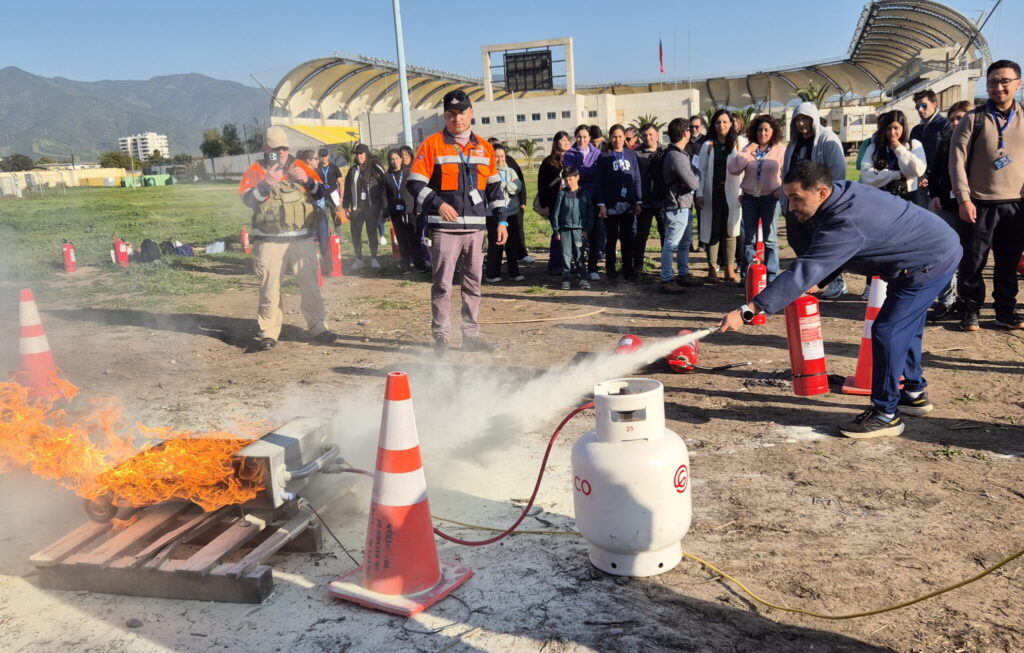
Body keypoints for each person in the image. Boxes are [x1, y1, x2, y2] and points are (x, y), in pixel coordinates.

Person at [720, 160, 960, 438]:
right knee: (907, 327)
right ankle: (914, 393)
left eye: (797, 198)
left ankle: (886, 414)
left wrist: (750, 309)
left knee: (888, 330)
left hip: (931, 260)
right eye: (789, 198)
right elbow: (834, 252)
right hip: (926, 252)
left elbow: (808, 266)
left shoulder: (847, 219)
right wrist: (820, 280)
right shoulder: (839, 195)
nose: (792, 206)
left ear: (821, 192)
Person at [406, 90, 506, 354]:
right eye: (451, 114)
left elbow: (495, 189)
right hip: (444, 230)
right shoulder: (432, 144)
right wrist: (439, 203)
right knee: (442, 284)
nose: (456, 118)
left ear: (471, 113)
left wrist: (503, 222)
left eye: (461, 112)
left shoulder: (484, 147)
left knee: (473, 284)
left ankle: (471, 336)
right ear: (445, 115)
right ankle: (441, 337)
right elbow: (415, 183)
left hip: (475, 229)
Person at [238, 126, 335, 352]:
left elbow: (323, 194)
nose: (281, 152)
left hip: (301, 239)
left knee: (310, 285)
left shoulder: (300, 166)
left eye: (284, 148)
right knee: (269, 288)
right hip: (269, 241)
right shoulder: (255, 170)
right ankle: (269, 332)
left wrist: (308, 182)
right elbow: (247, 201)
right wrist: (266, 183)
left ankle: (318, 326)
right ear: (265, 148)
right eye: (275, 148)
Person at [949, 59, 1024, 331]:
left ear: (1018, 83)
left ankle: (1006, 310)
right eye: (993, 82)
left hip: (1016, 205)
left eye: (1005, 81)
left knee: (1008, 261)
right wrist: (963, 198)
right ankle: (970, 309)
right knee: (974, 260)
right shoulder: (973, 118)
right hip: (978, 204)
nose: (998, 87)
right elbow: (956, 161)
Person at [782, 101, 849, 298]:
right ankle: (811, 279)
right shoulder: (793, 144)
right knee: (797, 238)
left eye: (805, 119)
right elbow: (785, 173)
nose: (802, 124)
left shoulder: (828, 139)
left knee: (822, 243)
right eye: (798, 119)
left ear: (813, 119)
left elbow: (837, 171)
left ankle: (836, 281)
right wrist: (784, 201)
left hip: (820, 203)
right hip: (796, 203)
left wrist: (829, 201)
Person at [926, 101, 973, 321]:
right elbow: (934, 173)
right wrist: (935, 194)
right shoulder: (945, 143)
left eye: (960, 118)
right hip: (946, 205)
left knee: (970, 256)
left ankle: (967, 302)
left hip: (972, 205)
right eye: (952, 118)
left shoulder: (979, 143)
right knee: (944, 252)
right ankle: (947, 300)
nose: (955, 122)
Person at [729, 114, 785, 280]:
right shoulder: (748, 149)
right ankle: (749, 275)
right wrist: (747, 151)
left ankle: (772, 275)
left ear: (773, 132)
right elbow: (733, 169)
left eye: (766, 130)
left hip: (771, 198)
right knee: (750, 239)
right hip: (750, 198)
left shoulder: (780, 150)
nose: (763, 133)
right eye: (760, 130)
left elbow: (788, 172)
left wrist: (780, 190)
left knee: (770, 239)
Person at [695, 109, 745, 284]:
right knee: (712, 230)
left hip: (733, 193)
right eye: (718, 122)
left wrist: (744, 191)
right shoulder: (707, 146)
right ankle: (712, 268)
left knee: (730, 230)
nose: (721, 125)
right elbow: (701, 172)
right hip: (712, 192)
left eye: (725, 122)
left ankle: (730, 269)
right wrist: (699, 193)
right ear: (713, 125)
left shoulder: (740, 143)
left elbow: (746, 168)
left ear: (731, 123)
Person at [595, 124, 643, 285]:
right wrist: (601, 204)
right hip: (611, 205)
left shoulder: (631, 155)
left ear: (625, 138)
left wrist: (638, 200)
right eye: (614, 136)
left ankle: (628, 270)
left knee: (628, 238)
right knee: (612, 239)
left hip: (628, 205)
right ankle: (611, 271)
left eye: (621, 136)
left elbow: (636, 178)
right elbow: (599, 182)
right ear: (610, 138)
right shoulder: (604, 156)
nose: (617, 139)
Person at [659, 117, 701, 293]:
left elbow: (689, 182)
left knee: (684, 242)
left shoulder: (675, 153)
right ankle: (667, 279)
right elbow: (694, 184)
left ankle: (683, 273)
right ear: (686, 133)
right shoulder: (677, 156)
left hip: (682, 204)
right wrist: (696, 174)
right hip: (677, 206)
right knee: (671, 244)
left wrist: (690, 179)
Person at [564, 124, 604, 280]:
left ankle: (593, 267)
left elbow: (598, 175)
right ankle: (578, 266)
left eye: (585, 137)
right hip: (576, 198)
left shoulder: (597, 153)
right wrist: (588, 173)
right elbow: (570, 175)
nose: (582, 139)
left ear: (590, 138)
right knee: (577, 233)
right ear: (575, 137)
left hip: (593, 198)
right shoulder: (569, 154)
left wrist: (581, 173)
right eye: (579, 136)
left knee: (593, 233)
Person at [860, 110, 927, 203]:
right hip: (880, 199)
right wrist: (898, 174)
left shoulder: (914, 145)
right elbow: (867, 176)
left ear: (903, 128)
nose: (892, 132)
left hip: (907, 198)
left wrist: (898, 148)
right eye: (888, 128)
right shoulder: (874, 148)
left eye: (896, 128)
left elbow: (917, 171)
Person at [341, 143, 387, 270]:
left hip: (372, 207)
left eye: (361, 153)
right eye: (357, 154)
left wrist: (384, 206)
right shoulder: (353, 170)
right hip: (357, 207)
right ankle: (358, 258)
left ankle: (374, 257)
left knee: (371, 232)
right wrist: (346, 207)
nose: (359, 156)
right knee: (355, 233)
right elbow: (347, 191)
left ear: (366, 154)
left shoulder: (376, 168)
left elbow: (384, 186)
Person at [550, 166, 594, 290]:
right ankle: (566, 279)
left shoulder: (584, 194)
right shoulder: (562, 194)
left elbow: (590, 214)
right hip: (564, 230)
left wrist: (586, 229)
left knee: (579, 255)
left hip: (579, 231)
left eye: (571, 179)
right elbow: (556, 213)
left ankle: (582, 278)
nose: (569, 182)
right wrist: (556, 230)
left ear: (577, 177)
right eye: (566, 180)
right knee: (566, 255)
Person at [488, 137, 531, 263]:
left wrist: (522, 199)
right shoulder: (488, 167)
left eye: (502, 155)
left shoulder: (511, 165)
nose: (500, 158)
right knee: (496, 237)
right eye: (496, 155)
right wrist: (506, 184)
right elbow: (493, 187)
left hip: (512, 207)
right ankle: (495, 265)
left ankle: (519, 258)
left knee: (516, 234)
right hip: (494, 209)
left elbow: (519, 184)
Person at [384, 148, 425, 274]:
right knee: (401, 240)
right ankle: (405, 265)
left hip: (411, 210)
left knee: (414, 238)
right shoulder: (386, 176)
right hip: (396, 213)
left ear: (401, 159)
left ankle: (419, 265)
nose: (394, 161)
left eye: (397, 158)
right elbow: (384, 195)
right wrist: (386, 212)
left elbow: (418, 190)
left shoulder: (409, 172)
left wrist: (418, 207)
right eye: (392, 159)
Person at [633, 123, 667, 275]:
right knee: (641, 235)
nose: (648, 138)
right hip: (644, 201)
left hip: (662, 201)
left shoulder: (665, 152)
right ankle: (638, 266)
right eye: (645, 135)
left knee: (665, 234)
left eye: (651, 134)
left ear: (657, 135)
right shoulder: (636, 154)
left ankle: (666, 265)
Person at [537, 131, 572, 273]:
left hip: (571, 202)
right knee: (558, 232)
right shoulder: (548, 161)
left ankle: (569, 263)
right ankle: (555, 264)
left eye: (567, 140)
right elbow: (542, 185)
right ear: (556, 143)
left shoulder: (573, 158)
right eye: (562, 140)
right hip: (554, 203)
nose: (565, 143)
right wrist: (544, 204)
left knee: (570, 233)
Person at [909, 89, 950, 205]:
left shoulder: (945, 125)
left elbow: (943, 156)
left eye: (924, 105)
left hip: (938, 182)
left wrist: (927, 175)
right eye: (917, 107)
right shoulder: (916, 129)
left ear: (934, 104)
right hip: (917, 180)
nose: (920, 110)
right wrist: (919, 175)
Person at [315, 148, 344, 272]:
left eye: (325, 156)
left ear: (328, 156)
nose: (323, 158)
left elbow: (341, 182)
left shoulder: (334, 168)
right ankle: (325, 237)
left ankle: (339, 236)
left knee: (336, 216)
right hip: (322, 197)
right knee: (324, 219)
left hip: (333, 196)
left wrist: (342, 196)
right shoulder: (317, 168)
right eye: (321, 156)